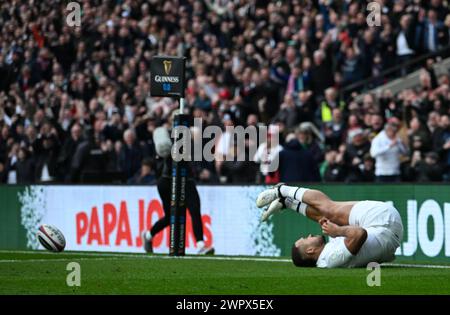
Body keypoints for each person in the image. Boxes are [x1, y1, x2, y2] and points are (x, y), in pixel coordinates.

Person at [256, 184, 403, 268]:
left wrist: (337, 231)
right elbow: (360, 234)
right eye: (304, 239)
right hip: (383, 222)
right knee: (331, 210)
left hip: (385, 230)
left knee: (326, 218)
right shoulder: (331, 258)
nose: (308, 236)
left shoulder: (326, 256)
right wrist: (338, 230)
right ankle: (281, 190)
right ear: (310, 250)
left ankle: (287, 203)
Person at [141, 124, 214, 255]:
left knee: (194, 210)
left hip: (185, 179)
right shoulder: (173, 142)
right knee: (170, 217)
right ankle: (148, 235)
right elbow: (164, 155)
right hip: (169, 181)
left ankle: (200, 244)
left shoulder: (193, 145)